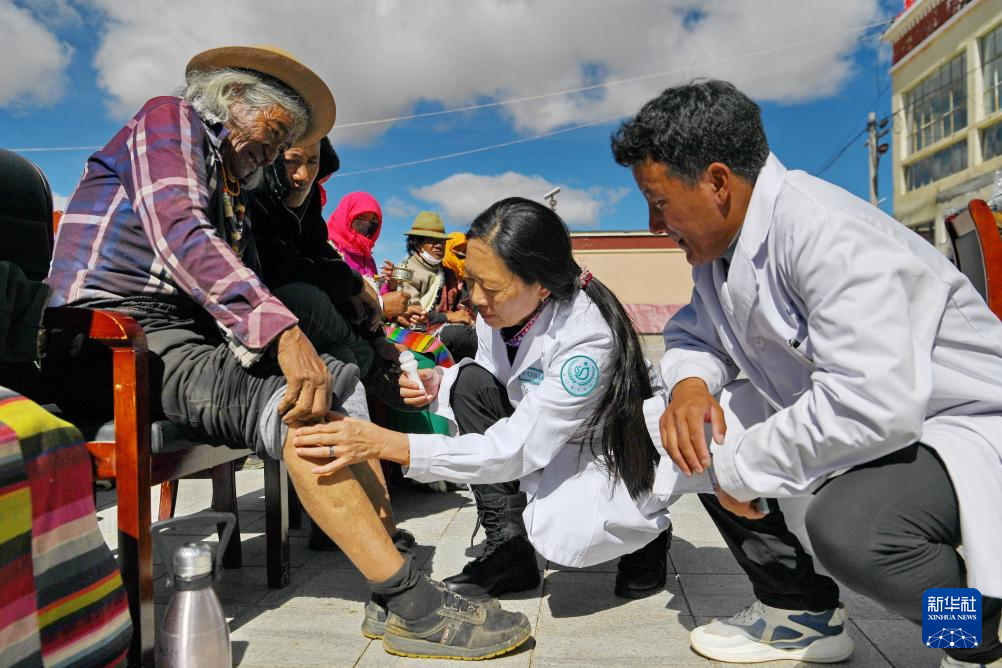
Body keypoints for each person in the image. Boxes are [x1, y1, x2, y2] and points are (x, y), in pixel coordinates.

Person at [42, 45, 530, 660]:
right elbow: (182, 233)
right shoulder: (168, 119)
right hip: (110, 338)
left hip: (181, 334)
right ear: (231, 99)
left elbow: (251, 271)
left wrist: (315, 343)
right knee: (300, 411)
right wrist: (283, 335)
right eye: (272, 138)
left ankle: (392, 575)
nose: (274, 158)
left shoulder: (232, 181)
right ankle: (409, 601)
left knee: (324, 392)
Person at [610, 80, 1002, 666]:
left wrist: (740, 469)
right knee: (683, 432)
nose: (652, 224)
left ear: (717, 182)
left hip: (964, 425)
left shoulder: (828, 233)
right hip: (889, 422)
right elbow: (695, 334)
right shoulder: (725, 252)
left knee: (857, 530)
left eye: (659, 202)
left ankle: (978, 637)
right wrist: (690, 385)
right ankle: (798, 610)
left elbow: (870, 404)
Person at [292, 197, 673, 600]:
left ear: (542, 283)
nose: (475, 298)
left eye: (490, 287)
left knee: (572, 530)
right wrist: (441, 381)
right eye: (471, 281)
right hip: (543, 430)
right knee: (467, 381)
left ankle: (646, 531)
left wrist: (389, 444)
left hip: (605, 448)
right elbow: (495, 382)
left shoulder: (588, 337)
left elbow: (519, 447)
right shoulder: (500, 312)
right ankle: (509, 549)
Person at [383, 212, 477, 360]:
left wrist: (459, 315)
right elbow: (412, 316)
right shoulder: (406, 271)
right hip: (416, 334)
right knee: (457, 335)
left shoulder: (448, 273)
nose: (439, 245)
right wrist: (449, 316)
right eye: (432, 240)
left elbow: (464, 310)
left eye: (442, 241)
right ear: (417, 243)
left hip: (443, 327)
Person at [327, 191, 383, 280]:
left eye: (373, 219)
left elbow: (376, 287)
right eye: (361, 216)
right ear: (345, 216)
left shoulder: (369, 260)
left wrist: (390, 284)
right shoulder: (328, 250)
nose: (368, 224)